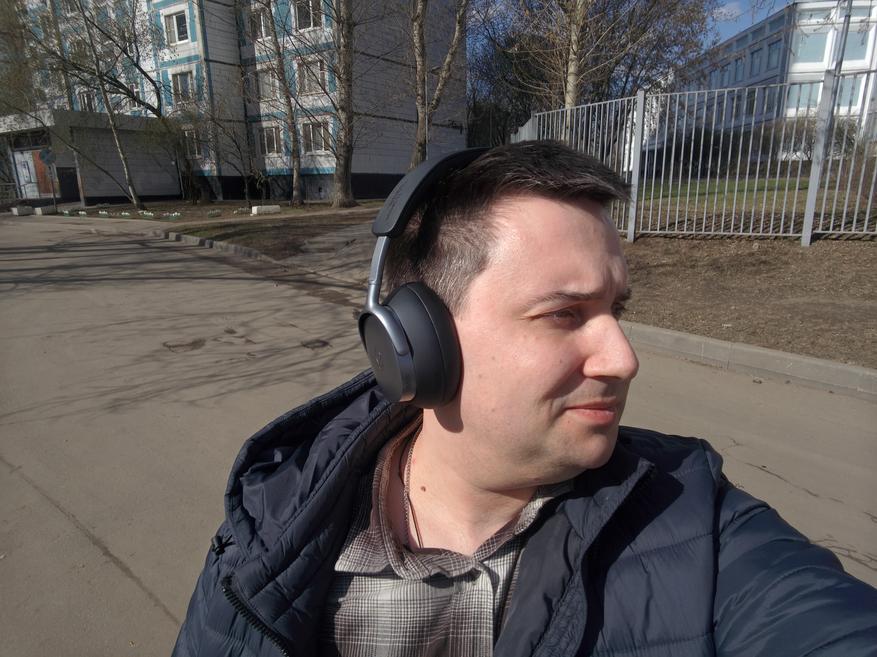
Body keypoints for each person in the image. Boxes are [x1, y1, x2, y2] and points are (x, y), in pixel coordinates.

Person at [172, 142, 877, 657]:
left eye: (616, 310)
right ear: (415, 341)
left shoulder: (693, 517)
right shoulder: (273, 527)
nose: (624, 359)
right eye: (564, 313)